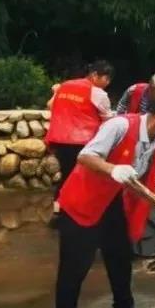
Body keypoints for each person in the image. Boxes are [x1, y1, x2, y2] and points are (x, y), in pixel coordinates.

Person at [51, 89, 155, 308]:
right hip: (83, 200)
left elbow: (151, 184)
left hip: (110, 203)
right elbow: (85, 156)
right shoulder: (119, 126)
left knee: (120, 255)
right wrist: (112, 168)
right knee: (76, 265)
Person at [44, 61, 115, 222]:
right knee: (84, 177)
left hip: (59, 139)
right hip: (82, 142)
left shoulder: (65, 85)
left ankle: (58, 212)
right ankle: (81, 213)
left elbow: (50, 105)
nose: (108, 83)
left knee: (66, 175)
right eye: (106, 78)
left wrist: (56, 92)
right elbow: (107, 118)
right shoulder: (98, 93)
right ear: (95, 75)